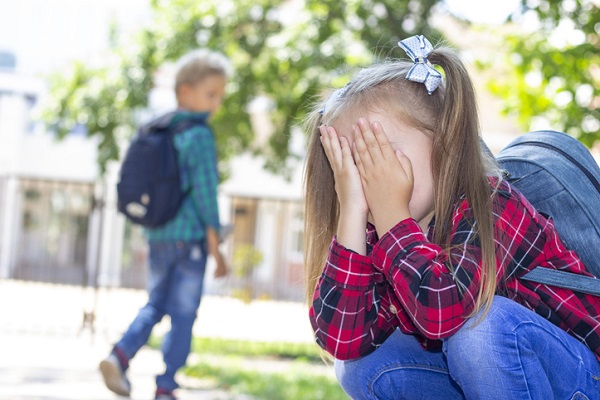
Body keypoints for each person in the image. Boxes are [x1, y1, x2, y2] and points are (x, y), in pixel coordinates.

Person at [303, 35, 600, 399]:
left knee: (479, 329)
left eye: (380, 155)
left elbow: (444, 309)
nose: (372, 177)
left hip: (577, 379)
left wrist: (393, 216)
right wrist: (351, 211)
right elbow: (342, 339)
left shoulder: (492, 205)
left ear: (444, 142)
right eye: (352, 164)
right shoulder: (378, 233)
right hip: (482, 379)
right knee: (362, 364)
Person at [99, 49, 231, 400]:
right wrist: (217, 250)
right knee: (184, 314)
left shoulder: (160, 129)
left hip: (157, 236)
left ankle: (120, 355)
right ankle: (166, 386)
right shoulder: (199, 135)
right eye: (211, 94)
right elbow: (205, 194)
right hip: (190, 242)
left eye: (219, 96)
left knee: (156, 304)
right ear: (184, 92)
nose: (216, 104)